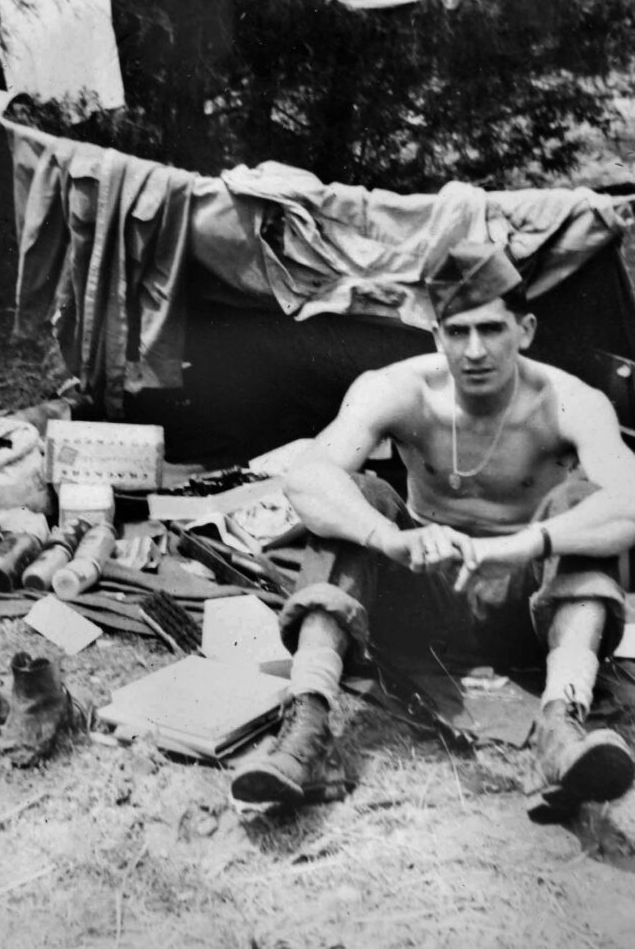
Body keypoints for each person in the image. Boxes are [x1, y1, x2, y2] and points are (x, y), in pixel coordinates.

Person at [231, 240, 635, 811]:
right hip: (423, 599)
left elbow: (631, 500)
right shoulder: (399, 389)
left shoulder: (569, 401)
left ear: (526, 328)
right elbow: (305, 478)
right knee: (359, 496)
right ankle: (307, 730)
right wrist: (390, 537)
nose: (474, 350)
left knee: (580, 504)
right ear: (436, 334)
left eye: (492, 329)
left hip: (529, 609)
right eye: (457, 331)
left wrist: (525, 544)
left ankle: (561, 727)